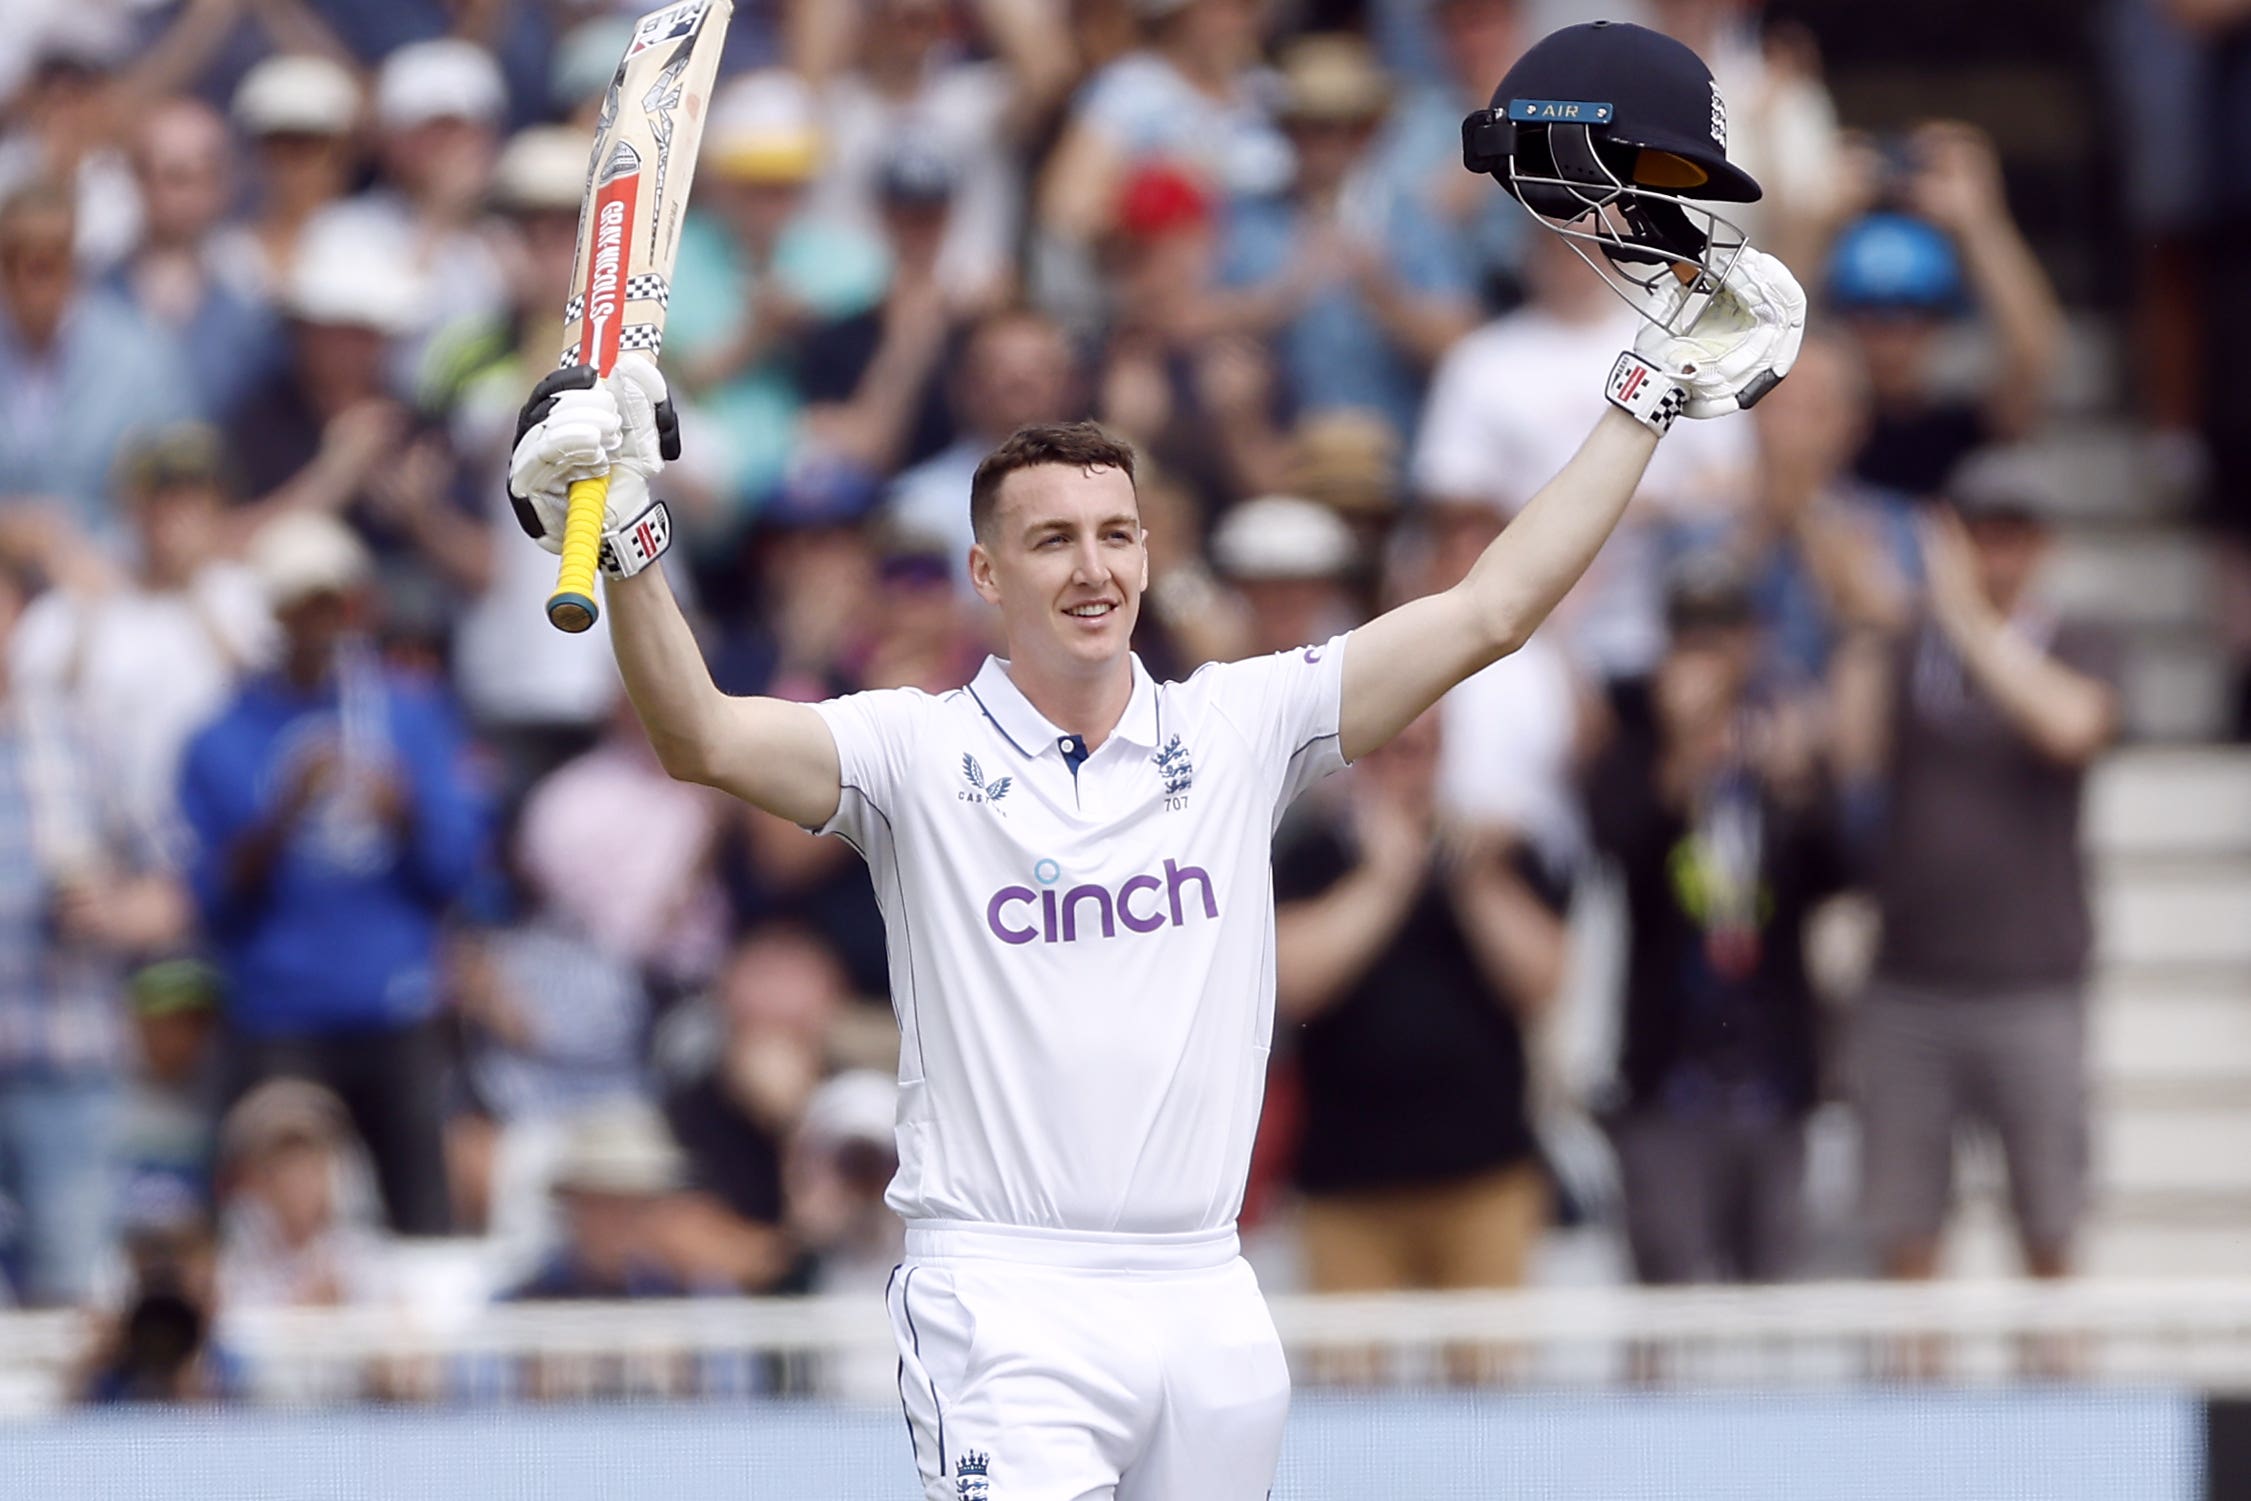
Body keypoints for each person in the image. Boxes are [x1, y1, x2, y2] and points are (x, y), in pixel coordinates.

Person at [505, 21, 1803, 1497]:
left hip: (1204, 1287)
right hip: (1003, 1293)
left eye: (1115, 535)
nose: (1092, 567)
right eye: (1051, 540)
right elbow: (697, 735)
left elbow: (1490, 608)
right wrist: (631, 549)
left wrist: (1640, 398)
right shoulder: (911, 753)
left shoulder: (1234, 728)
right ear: (983, 576)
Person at [1837, 471, 2123, 1283]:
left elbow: (2070, 726)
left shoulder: (2077, 638)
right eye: (1981, 534)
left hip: (2033, 982)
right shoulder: (1906, 645)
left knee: (2051, 1225)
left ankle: (2066, 1404)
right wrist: (1865, 624)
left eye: (2015, 536)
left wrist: (1960, 614)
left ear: (2043, 548)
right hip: (1908, 983)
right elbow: (1850, 757)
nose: (1997, 555)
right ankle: (1912, 1407)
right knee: (1903, 1232)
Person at [177, 511, 488, 1238]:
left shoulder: (409, 716)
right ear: (275, 614)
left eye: (334, 603)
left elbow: (456, 869)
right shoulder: (223, 734)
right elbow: (212, 899)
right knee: (279, 1223)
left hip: (397, 1005)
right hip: (284, 1013)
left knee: (423, 1219)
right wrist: (282, 815)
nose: (323, 624)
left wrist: (402, 808)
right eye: (303, 606)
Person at [1585, 559, 1852, 1285]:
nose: (1708, 659)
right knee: (1665, 1295)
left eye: (1723, 638)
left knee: (1772, 1289)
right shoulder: (1636, 745)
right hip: (1667, 1081)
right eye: (1692, 641)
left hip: (1772, 1075)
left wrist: (1798, 782)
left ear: (1752, 644)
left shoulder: (1779, 738)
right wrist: (1678, 756)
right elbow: (1616, 848)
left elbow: (1844, 870)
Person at [1274, 709, 1567, 1296]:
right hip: (1347, 1181)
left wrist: (1473, 880)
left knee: (1492, 1387)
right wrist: (1384, 883)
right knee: (1348, 1386)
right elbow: (1292, 983)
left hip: (1483, 1174)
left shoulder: (1491, 855)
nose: (1399, 769)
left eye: (1416, 750)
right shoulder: (1312, 851)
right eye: (1383, 751)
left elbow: (1544, 982)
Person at [0, 557, 192, 1306]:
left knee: (72, 1291)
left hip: (67, 1062)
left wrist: (112, 912)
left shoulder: (77, 740)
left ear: (19, 620)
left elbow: (173, 887)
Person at [0, 180, 192, 544]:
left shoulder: (142, 357)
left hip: (112, 577)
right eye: (13, 257)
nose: (29, 275)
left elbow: (183, 501)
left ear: (75, 260)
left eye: (46, 260)